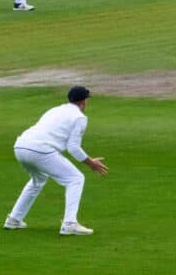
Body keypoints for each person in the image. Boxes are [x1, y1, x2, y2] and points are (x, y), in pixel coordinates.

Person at [6, 85, 107, 234]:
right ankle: (69, 224)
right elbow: (73, 147)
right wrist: (91, 163)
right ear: (84, 101)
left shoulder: (55, 109)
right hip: (40, 149)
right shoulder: (79, 117)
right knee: (75, 178)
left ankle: (13, 219)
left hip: (20, 146)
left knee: (38, 180)